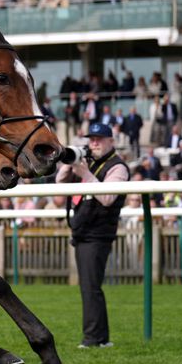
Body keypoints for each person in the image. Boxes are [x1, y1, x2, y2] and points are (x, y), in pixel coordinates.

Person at [56, 122, 128, 348]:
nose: (94, 143)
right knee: (90, 286)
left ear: (111, 142)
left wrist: (85, 173)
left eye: (99, 139)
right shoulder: (88, 163)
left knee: (90, 287)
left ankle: (92, 339)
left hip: (98, 233)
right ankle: (101, 338)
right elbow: (59, 186)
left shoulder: (118, 167)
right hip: (83, 230)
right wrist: (70, 163)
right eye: (91, 139)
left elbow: (108, 198)